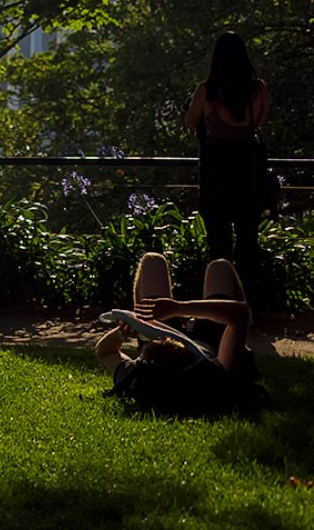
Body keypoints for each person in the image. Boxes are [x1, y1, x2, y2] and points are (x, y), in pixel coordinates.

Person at [95, 252, 257, 413]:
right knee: (220, 267)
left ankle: (155, 331)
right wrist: (177, 308)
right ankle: (240, 342)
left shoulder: (140, 374)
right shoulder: (212, 372)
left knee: (152, 261)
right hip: (212, 342)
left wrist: (124, 330)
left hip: (163, 342)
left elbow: (104, 351)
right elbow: (241, 313)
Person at [185, 31, 271, 294]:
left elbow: (190, 124)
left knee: (219, 244)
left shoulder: (206, 90)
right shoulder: (258, 90)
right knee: (248, 241)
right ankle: (248, 302)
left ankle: (218, 300)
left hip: (216, 173)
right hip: (247, 172)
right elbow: (260, 121)